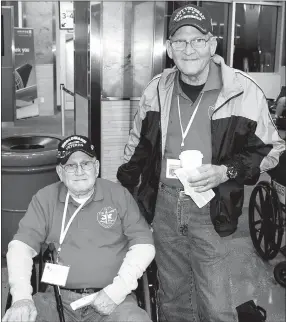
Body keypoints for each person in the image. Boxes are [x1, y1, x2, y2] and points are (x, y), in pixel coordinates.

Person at [117, 4, 285, 322]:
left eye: (197, 39)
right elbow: (135, 150)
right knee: (172, 298)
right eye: (180, 41)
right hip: (164, 206)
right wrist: (124, 196)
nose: (189, 49)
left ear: (212, 44)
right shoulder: (156, 90)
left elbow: (272, 150)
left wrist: (226, 170)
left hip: (212, 205)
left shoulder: (243, 91)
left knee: (215, 301)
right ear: (169, 49)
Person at [3, 135, 155, 322]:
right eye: (70, 166)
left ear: (97, 167)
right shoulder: (45, 199)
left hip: (113, 299)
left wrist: (116, 291)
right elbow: (20, 247)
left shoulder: (118, 196)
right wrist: (21, 298)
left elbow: (144, 246)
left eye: (86, 163)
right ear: (60, 172)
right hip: (57, 298)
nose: (79, 171)